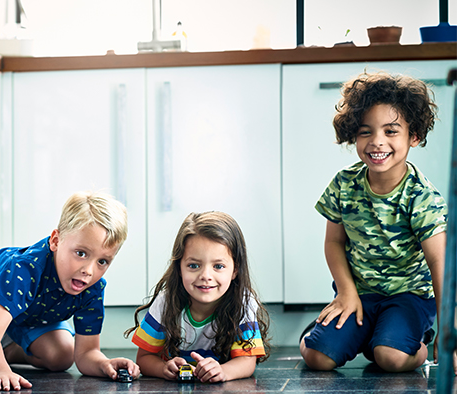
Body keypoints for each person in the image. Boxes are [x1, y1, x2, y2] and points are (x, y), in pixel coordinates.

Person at [299, 71, 457, 375]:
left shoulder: (422, 197)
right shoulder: (344, 184)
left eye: (391, 131)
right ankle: (353, 331)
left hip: (408, 297)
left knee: (390, 358)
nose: (376, 142)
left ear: (414, 136)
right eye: (365, 131)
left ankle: (415, 344)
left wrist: (449, 331)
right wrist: (346, 291)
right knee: (317, 358)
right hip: (359, 294)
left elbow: (440, 263)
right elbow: (333, 241)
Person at [0, 191, 140, 391]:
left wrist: (104, 364)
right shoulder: (22, 270)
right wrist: (0, 371)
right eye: (81, 253)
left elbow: (87, 352)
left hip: (24, 314)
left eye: (102, 261)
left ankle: (4, 346)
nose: (89, 270)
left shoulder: (93, 288)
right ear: (56, 241)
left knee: (62, 356)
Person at [125, 211, 270, 383]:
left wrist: (222, 371)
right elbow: (144, 357)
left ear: (235, 270)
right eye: (194, 265)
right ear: (179, 267)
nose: (206, 276)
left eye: (218, 266)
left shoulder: (243, 303)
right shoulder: (166, 302)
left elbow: (247, 361)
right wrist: (163, 368)